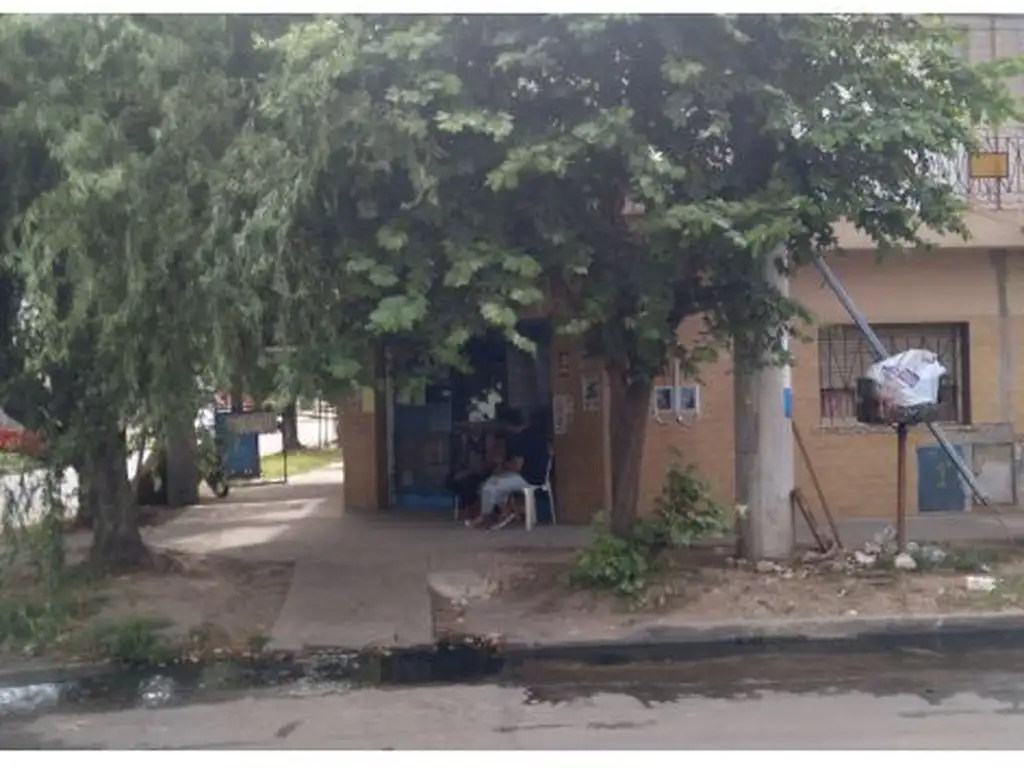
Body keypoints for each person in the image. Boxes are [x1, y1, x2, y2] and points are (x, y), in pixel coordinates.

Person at [472, 408, 549, 530]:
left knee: (489, 486)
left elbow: (517, 466)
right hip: (538, 475)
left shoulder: (521, 438)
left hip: (528, 478)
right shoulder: (536, 434)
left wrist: (501, 465)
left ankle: (489, 516)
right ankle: (507, 512)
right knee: (493, 481)